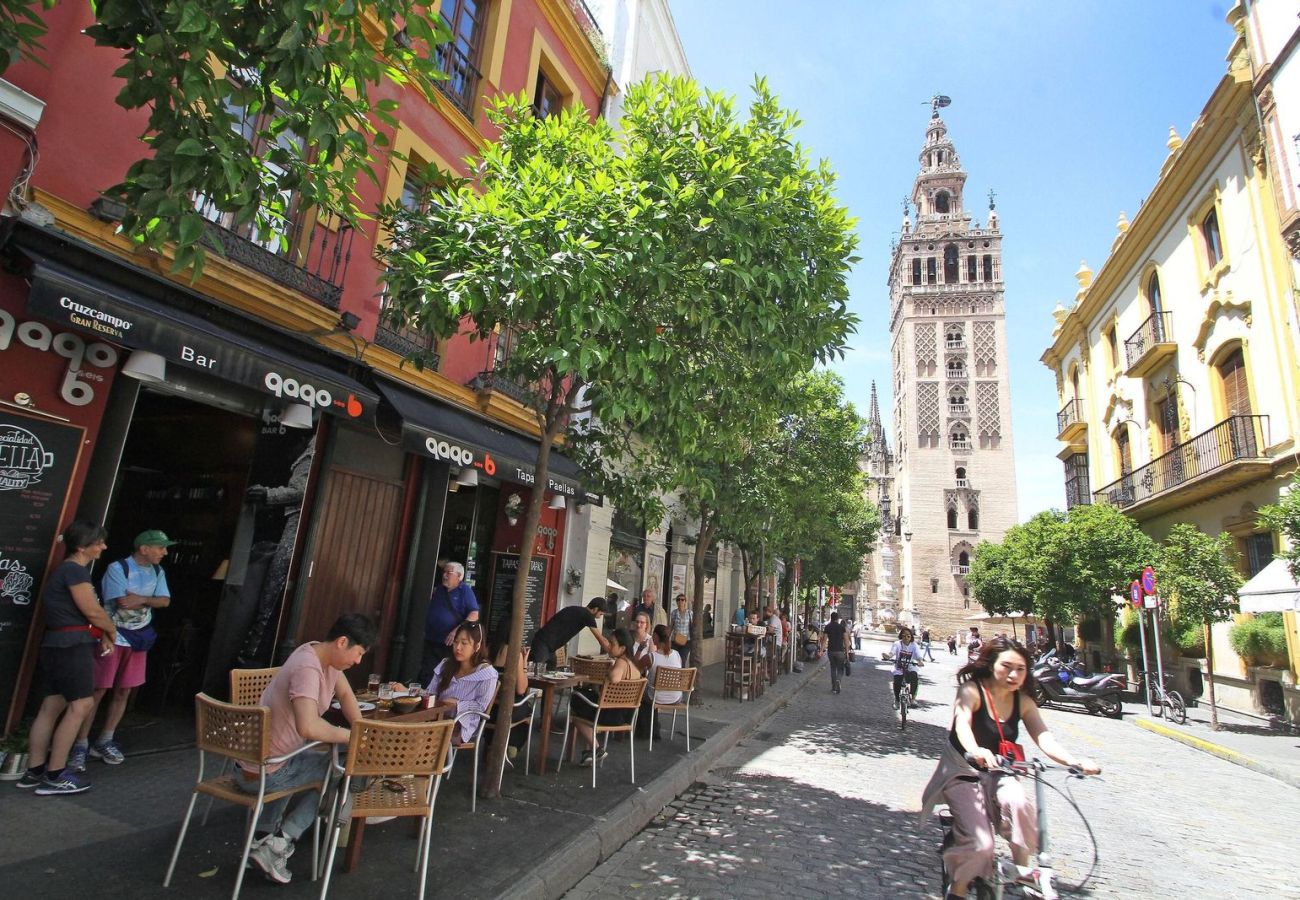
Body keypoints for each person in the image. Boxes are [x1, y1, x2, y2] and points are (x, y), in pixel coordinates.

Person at [922, 637, 1100, 900]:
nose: (1014, 674)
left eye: (1021, 669)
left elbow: (1044, 737)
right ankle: (957, 890)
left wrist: (1073, 761)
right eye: (1007, 667)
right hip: (963, 771)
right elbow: (961, 723)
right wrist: (976, 750)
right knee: (981, 845)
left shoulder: (1023, 701)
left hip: (1000, 770)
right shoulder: (972, 691)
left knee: (1019, 804)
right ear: (991, 664)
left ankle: (1023, 871)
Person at [235, 613, 376, 884]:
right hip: (265, 771)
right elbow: (308, 727)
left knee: (329, 761)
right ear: (342, 642)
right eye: (358, 653)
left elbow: (346, 695)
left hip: (264, 760)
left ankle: (263, 838)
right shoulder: (308, 668)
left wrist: (361, 729)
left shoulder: (321, 657)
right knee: (344, 770)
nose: (358, 661)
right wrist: (351, 738)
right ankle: (281, 841)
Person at [16, 519, 116, 796]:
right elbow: (93, 611)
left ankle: (34, 769)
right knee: (81, 705)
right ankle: (56, 774)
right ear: (83, 546)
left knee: (51, 705)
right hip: (72, 645)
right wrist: (112, 630)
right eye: (99, 542)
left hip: (56, 643)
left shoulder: (64, 571)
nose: (103, 546)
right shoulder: (74, 572)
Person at [70, 529, 175, 772]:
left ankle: (105, 739)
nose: (165, 552)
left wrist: (140, 599)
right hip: (112, 635)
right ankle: (80, 743)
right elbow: (119, 601)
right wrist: (149, 599)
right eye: (160, 547)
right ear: (144, 548)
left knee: (124, 690)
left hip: (140, 636)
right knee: (98, 689)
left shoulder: (158, 571)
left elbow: (165, 601)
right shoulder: (118, 568)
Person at [569, 627, 637, 765]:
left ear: (623, 648)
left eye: (612, 644)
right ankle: (590, 753)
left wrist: (611, 669)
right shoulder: (633, 665)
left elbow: (614, 678)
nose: (609, 646)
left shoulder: (622, 662)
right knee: (585, 700)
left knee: (576, 703)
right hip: (625, 715)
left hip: (609, 714)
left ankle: (596, 748)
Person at [429, 622, 499, 745]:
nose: (458, 648)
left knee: (420, 734)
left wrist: (458, 704)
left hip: (461, 724)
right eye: (456, 642)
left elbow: (481, 706)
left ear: (477, 646)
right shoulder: (446, 665)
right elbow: (430, 693)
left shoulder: (487, 673)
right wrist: (407, 691)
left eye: (464, 643)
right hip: (435, 716)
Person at [419, 561, 479, 685]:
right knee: (427, 672)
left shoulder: (465, 591)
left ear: (459, 576)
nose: (445, 575)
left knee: (444, 673)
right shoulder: (439, 590)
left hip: (449, 642)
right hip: (431, 638)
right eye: (444, 572)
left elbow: (474, 614)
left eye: (449, 572)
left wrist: (456, 630)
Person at [489, 619, 532, 761]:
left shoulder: (489, 650)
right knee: (527, 708)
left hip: (489, 709)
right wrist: (524, 663)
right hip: (508, 710)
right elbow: (521, 689)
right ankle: (512, 745)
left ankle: (490, 745)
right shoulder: (514, 654)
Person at [531, 597, 611, 668]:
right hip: (543, 644)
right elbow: (601, 640)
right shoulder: (588, 616)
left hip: (548, 645)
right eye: (600, 614)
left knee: (551, 672)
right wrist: (612, 652)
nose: (600, 617)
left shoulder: (576, 609)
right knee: (538, 673)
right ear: (595, 609)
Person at [641, 624, 683, 740]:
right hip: (675, 697)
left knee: (641, 693)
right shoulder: (677, 655)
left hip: (654, 697)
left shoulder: (651, 657)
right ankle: (654, 729)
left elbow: (635, 666)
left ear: (655, 636)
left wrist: (640, 648)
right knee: (651, 692)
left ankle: (645, 730)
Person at [890, 626, 923, 707]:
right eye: (904, 635)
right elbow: (892, 653)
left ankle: (913, 699)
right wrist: (887, 656)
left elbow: (918, 655)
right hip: (899, 667)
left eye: (908, 636)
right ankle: (897, 700)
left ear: (911, 637)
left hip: (910, 666)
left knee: (914, 677)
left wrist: (920, 661)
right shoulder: (897, 644)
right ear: (901, 636)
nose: (906, 637)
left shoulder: (914, 645)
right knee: (897, 681)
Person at [820, 612, 849, 694]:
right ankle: (838, 680)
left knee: (833, 668)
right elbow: (846, 640)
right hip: (840, 650)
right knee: (840, 668)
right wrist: (847, 652)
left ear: (831, 618)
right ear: (837, 618)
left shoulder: (828, 627)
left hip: (831, 651)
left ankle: (833, 687)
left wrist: (821, 651)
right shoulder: (841, 627)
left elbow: (824, 640)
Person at [669, 593, 692, 666]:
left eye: (682, 600)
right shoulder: (674, 613)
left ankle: (681, 676)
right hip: (675, 640)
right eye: (678, 600)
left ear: (685, 601)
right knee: (675, 659)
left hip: (686, 641)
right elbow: (671, 626)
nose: (680, 601)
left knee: (683, 659)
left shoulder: (689, 613)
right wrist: (667, 638)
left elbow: (692, 626)